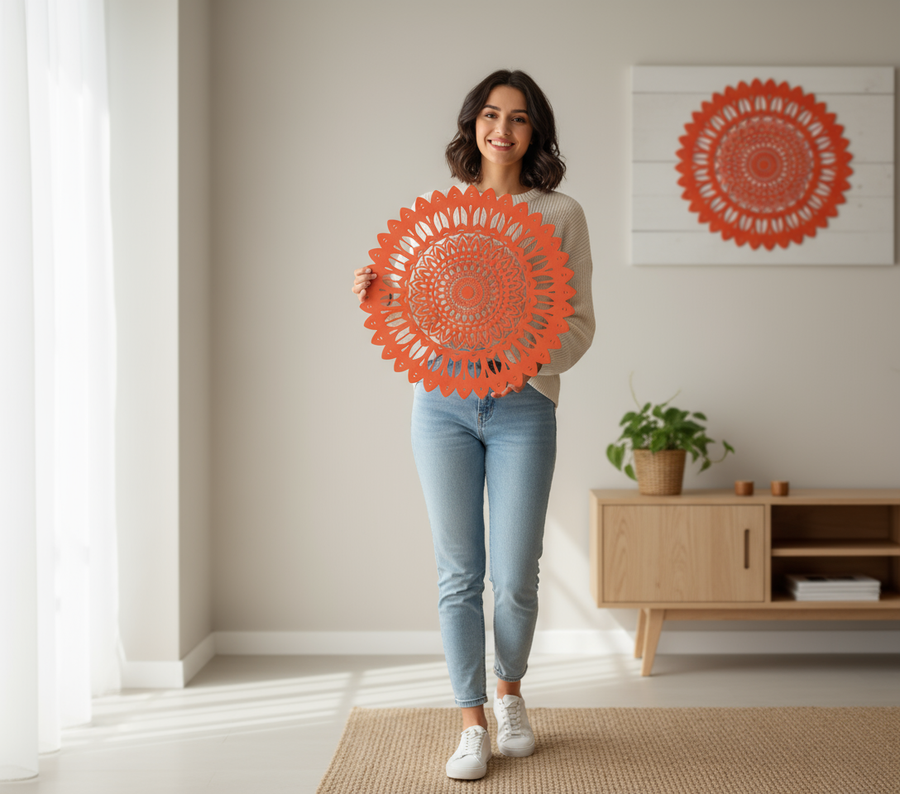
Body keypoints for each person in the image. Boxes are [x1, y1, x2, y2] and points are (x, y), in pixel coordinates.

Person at [351, 69, 595, 780]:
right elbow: (427, 312)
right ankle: (471, 720)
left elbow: (578, 328)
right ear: (471, 125)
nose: (503, 129)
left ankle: (511, 693)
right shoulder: (445, 212)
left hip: (525, 406)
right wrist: (382, 293)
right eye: (490, 115)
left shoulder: (561, 213)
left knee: (516, 574)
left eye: (518, 118)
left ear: (535, 131)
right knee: (459, 573)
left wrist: (519, 349)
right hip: (444, 408)